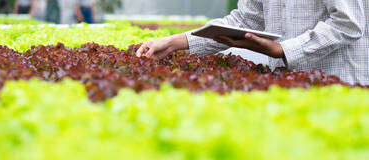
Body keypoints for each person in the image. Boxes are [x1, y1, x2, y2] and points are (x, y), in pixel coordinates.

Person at [137, 0, 369, 85]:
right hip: (291, 84)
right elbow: (246, 18)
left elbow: (348, 23)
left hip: (341, 82)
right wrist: (174, 43)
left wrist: (282, 50)